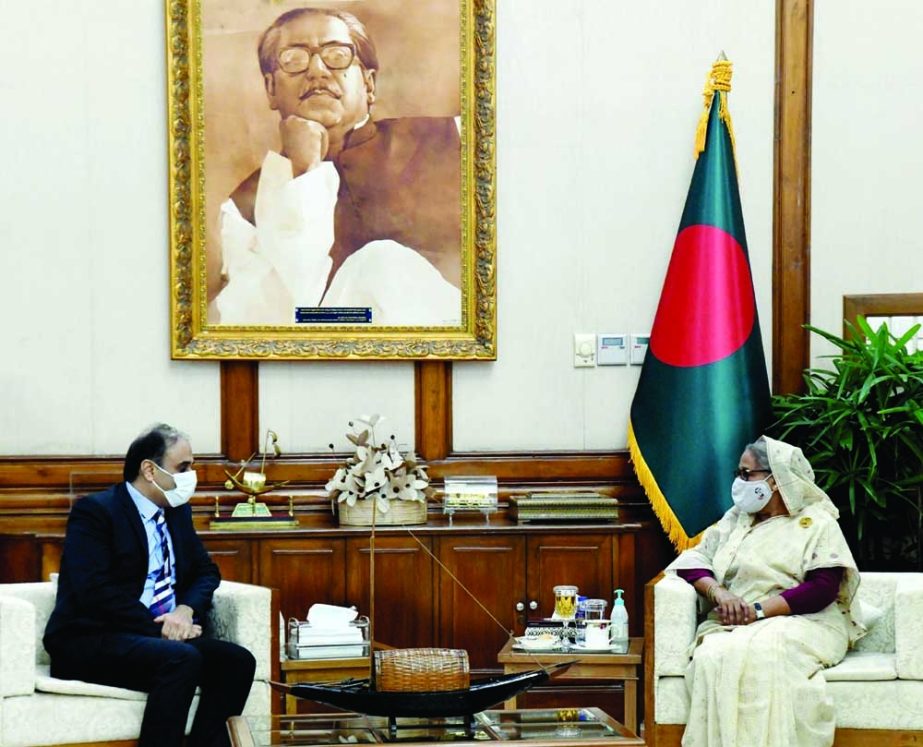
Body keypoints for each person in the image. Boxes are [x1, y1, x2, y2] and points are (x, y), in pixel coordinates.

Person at [213, 7, 462, 326]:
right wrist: (303, 174)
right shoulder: (242, 209)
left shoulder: (457, 138)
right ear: (271, 89)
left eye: (336, 54)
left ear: (369, 84)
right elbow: (262, 322)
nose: (316, 70)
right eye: (294, 59)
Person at [43, 424, 256, 747]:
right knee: (181, 658)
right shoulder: (97, 512)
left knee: (237, 661)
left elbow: (205, 571)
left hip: (158, 636)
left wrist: (184, 611)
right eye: (182, 468)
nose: (191, 476)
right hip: (93, 638)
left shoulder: (176, 512)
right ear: (149, 470)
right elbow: (94, 591)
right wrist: (160, 628)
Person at [666, 435, 865, 747]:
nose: (739, 481)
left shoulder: (817, 522)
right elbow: (693, 561)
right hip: (733, 621)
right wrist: (720, 594)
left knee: (765, 653)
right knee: (711, 656)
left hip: (806, 622)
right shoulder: (737, 519)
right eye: (739, 473)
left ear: (775, 480)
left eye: (747, 474)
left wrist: (756, 612)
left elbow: (823, 588)